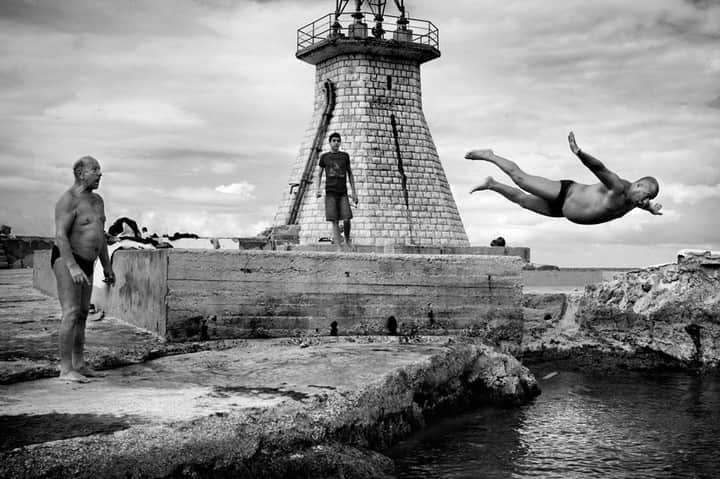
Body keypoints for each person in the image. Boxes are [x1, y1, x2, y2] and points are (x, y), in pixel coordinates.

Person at [466, 132, 662, 225]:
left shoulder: (636, 201)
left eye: (649, 198)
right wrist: (579, 153)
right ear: (638, 184)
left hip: (562, 211)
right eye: (646, 195)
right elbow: (599, 168)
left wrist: (649, 207)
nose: (645, 200)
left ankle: (492, 184)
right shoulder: (618, 187)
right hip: (566, 194)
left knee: (523, 201)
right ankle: (490, 155)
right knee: (521, 180)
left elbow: (640, 203)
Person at [52, 155, 114, 383]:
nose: (100, 174)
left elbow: (100, 236)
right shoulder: (68, 200)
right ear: (80, 173)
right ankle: (65, 369)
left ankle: (79, 363)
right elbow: (60, 235)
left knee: (83, 314)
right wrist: (72, 266)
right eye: (95, 169)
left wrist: (106, 265)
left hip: (89, 262)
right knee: (70, 312)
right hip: (67, 259)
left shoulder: (98, 201)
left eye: (100, 170)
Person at [316, 132, 358, 249]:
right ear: (330, 143)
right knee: (334, 220)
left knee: (347, 218)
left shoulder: (345, 156)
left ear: (340, 142)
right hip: (330, 192)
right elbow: (318, 174)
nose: (336, 143)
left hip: (343, 192)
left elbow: (350, 174)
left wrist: (354, 192)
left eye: (338, 141)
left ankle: (347, 238)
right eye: (334, 141)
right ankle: (339, 247)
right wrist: (318, 189)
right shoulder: (324, 157)